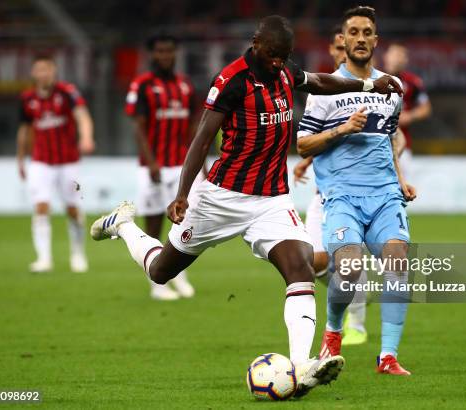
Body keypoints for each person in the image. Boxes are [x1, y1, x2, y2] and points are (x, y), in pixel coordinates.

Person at [91, 15, 402, 396]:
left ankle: (302, 366)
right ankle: (123, 224)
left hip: (271, 199)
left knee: (299, 268)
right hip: (221, 198)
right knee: (160, 272)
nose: (277, 63)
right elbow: (202, 139)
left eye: (283, 57)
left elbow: (321, 81)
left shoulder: (285, 71)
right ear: (257, 43)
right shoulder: (231, 81)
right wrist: (183, 192)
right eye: (272, 55)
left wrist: (368, 83)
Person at [297, 6, 416, 375]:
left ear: (375, 41)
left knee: (397, 262)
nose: (361, 38)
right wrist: (342, 130)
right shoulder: (325, 91)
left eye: (367, 32)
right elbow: (303, 145)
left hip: (384, 196)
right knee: (347, 269)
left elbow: (388, 140)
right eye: (354, 32)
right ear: (343, 41)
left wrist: (399, 180)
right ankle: (333, 331)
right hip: (342, 196)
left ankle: (388, 357)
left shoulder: (392, 89)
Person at [125, 32, 197, 300]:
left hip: (180, 165)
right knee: (153, 223)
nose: (165, 56)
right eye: (160, 51)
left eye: (169, 51)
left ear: (175, 53)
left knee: (184, 222)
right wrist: (152, 161)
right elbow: (138, 128)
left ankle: (179, 276)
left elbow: (193, 129)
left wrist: (197, 163)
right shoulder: (142, 85)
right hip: (152, 166)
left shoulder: (185, 85)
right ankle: (157, 285)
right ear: (152, 54)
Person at [17, 55, 95, 273]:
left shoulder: (67, 92)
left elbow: (83, 116)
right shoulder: (27, 99)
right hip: (40, 161)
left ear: (54, 71)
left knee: (72, 208)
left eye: (47, 69)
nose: (44, 74)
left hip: (68, 161)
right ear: (34, 73)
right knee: (41, 207)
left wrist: (86, 137)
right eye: (39, 69)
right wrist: (20, 159)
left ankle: (78, 254)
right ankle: (44, 258)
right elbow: (24, 130)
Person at [293, 25, 346, 279]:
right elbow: (310, 139)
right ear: (331, 50)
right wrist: (308, 159)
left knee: (350, 259)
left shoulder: (373, 89)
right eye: (339, 48)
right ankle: (356, 297)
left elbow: (389, 136)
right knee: (312, 261)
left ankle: (355, 318)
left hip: (360, 192)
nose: (344, 54)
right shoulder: (322, 89)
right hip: (324, 191)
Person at [383, 42, 432, 179]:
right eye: (394, 54)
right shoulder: (373, 80)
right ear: (386, 57)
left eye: (401, 55)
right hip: (376, 144)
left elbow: (426, 108)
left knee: (403, 191)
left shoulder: (412, 82)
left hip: (402, 145)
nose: (396, 59)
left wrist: (410, 116)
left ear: (406, 60)